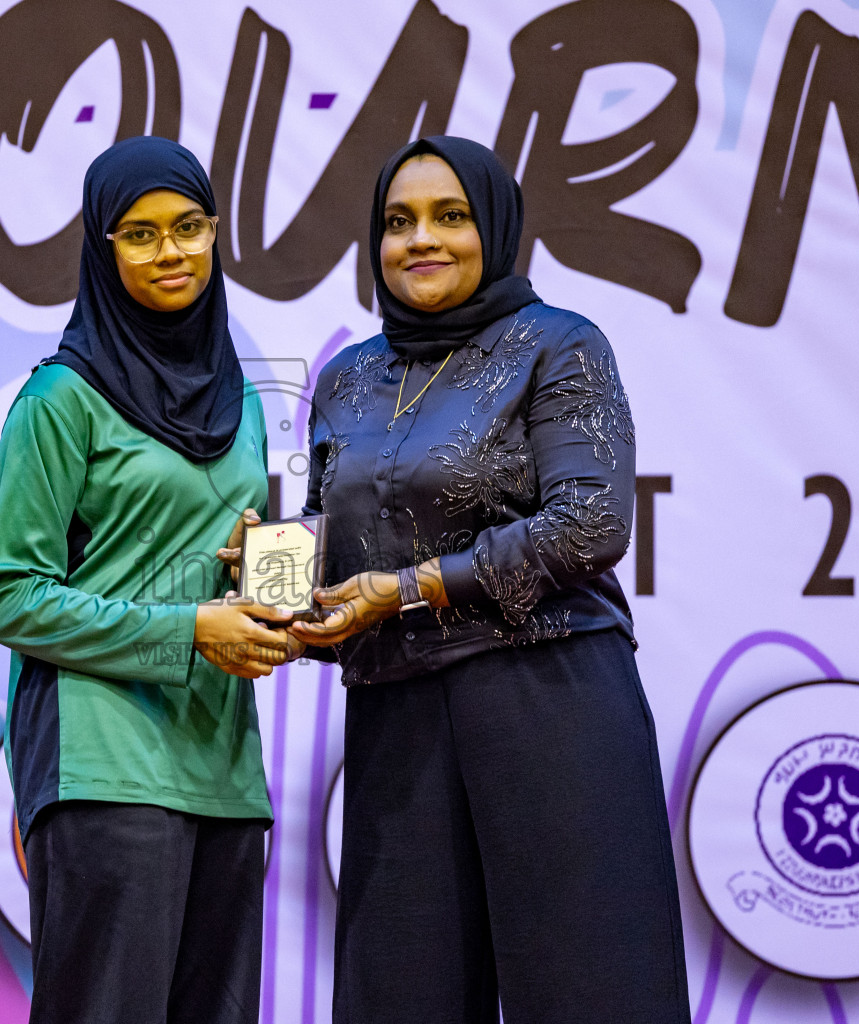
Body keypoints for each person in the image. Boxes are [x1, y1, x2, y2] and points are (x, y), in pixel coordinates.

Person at [290, 136, 691, 1022]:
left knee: (589, 987)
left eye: (450, 216)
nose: (420, 240)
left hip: (546, 699)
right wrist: (281, 591)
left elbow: (592, 523)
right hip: (398, 714)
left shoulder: (558, 345)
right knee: (400, 993)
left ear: (495, 228)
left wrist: (407, 589)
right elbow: (340, 549)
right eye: (399, 222)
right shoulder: (348, 380)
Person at [0, 135, 297, 1024]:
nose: (172, 253)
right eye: (141, 233)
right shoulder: (59, 400)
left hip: (223, 766)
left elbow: (225, 551)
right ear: (103, 248)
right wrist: (192, 627)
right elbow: (12, 595)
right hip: (102, 763)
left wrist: (264, 585)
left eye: (189, 227)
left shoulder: (238, 402)